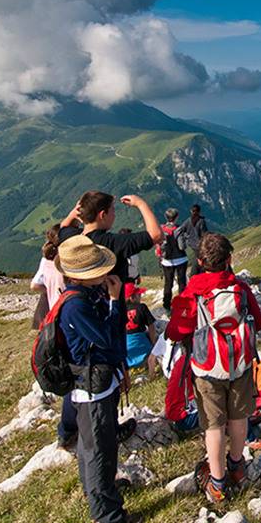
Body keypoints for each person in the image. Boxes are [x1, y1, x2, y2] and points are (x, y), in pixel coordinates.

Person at [55, 235, 144, 523]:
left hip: (97, 382)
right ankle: (108, 521)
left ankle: (101, 491)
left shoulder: (83, 294)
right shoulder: (77, 305)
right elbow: (107, 335)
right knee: (98, 450)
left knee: (96, 447)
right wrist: (116, 300)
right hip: (92, 388)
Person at [56, 191, 162, 448]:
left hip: (81, 313)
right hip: (109, 312)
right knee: (109, 369)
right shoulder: (112, 243)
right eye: (112, 211)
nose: (115, 215)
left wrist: (76, 211)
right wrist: (141, 203)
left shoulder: (75, 241)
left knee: (80, 370)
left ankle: (68, 429)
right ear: (103, 215)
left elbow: (63, 227)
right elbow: (155, 235)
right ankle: (109, 427)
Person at [166, 233, 261, 503]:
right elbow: (258, 321)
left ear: (199, 261)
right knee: (239, 418)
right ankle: (237, 466)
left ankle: (218, 483)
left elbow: (176, 331)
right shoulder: (240, 289)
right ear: (229, 260)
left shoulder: (192, 292)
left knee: (213, 424)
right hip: (240, 366)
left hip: (207, 370)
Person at [30, 225, 65, 329]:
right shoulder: (66, 261)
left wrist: (49, 289)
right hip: (66, 308)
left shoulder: (46, 260)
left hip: (52, 309)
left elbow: (34, 285)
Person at [157, 208, 188, 311]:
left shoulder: (161, 228)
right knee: (181, 282)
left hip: (166, 261)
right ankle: (183, 304)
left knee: (168, 283)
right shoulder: (178, 229)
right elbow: (182, 247)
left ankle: (166, 305)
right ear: (176, 217)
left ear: (166, 217)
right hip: (180, 260)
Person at [124, 283, 156, 371]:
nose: (140, 296)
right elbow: (151, 327)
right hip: (143, 347)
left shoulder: (119, 310)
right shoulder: (142, 307)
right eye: (139, 294)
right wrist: (153, 344)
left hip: (127, 351)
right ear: (132, 297)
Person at [176, 204, 208, 276]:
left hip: (192, 244)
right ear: (199, 211)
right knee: (200, 260)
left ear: (191, 211)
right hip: (200, 244)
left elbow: (180, 230)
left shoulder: (188, 220)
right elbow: (204, 234)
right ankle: (195, 275)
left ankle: (196, 275)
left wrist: (185, 237)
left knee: (198, 258)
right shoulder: (201, 221)